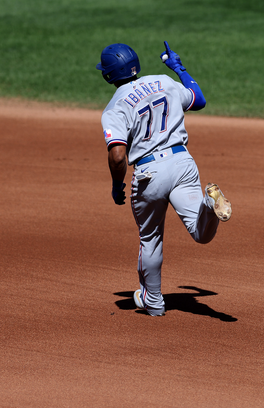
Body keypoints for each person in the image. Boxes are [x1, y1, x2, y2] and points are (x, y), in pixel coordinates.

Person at [96, 41, 232, 316]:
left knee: (151, 238)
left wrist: (115, 184)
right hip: (183, 163)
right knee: (200, 233)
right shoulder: (163, 81)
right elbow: (199, 99)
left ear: (107, 75)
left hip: (150, 174)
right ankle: (208, 204)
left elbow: (118, 156)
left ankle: (154, 302)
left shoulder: (115, 108)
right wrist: (178, 68)